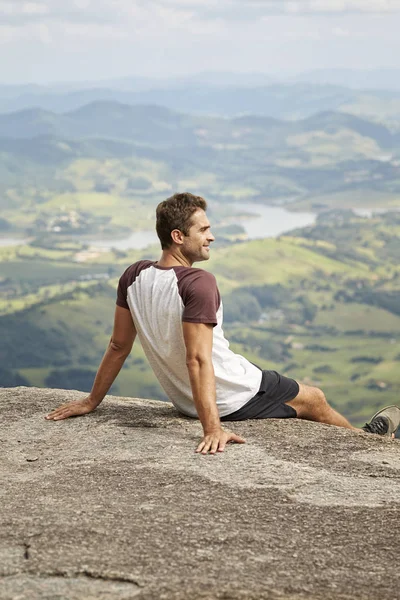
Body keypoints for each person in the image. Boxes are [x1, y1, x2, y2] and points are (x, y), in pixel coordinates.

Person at [46, 192, 400, 452]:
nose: (211, 236)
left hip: (187, 400)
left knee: (279, 382)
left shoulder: (134, 275)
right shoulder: (198, 282)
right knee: (314, 398)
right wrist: (212, 428)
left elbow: (118, 345)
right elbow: (197, 359)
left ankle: (364, 438)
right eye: (204, 229)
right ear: (178, 237)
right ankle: (367, 443)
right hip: (232, 397)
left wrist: (92, 401)